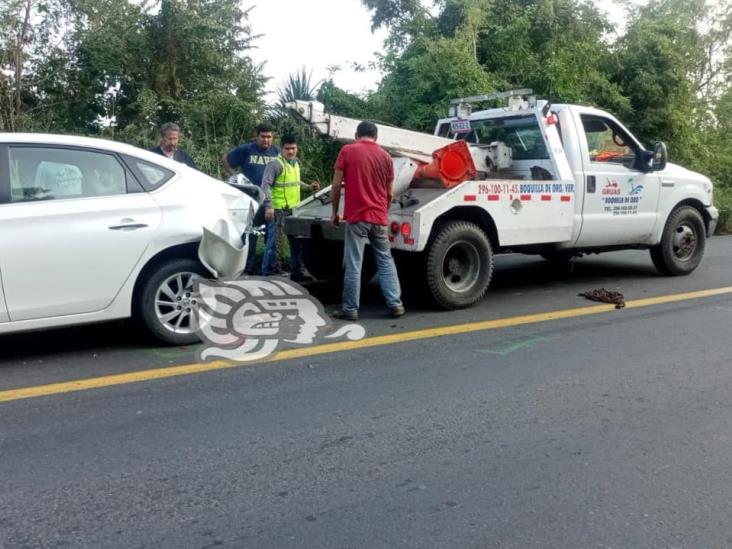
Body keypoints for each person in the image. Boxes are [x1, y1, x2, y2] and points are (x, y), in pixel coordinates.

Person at [330, 121, 404, 320]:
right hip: (379, 217)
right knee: (385, 260)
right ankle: (395, 303)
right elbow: (389, 193)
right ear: (376, 137)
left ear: (356, 135)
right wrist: (383, 213)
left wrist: (335, 212)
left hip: (357, 218)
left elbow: (336, 186)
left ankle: (350, 309)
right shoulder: (387, 157)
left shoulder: (347, 151)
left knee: (354, 262)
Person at [222, 123, 281, 275]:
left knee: (272, 236)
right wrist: (234, 176)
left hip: (271, 200)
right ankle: (247, 268)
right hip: (250, 200)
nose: (266, 140)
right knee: (250, 235)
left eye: (269, 137)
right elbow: (226, 159)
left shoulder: (277, 153)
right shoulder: (246, 149)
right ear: (257, 136)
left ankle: (269, 269)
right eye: (263, 136)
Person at [260, 134, 320, 281]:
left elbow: (295, 183)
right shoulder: (275, 164)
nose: (291, 151)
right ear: (282, 148)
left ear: (297, 148)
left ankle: (297, 273)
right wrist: (269, 206)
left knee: (296, 242)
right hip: (278, 209)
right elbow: (265, 185)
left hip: (294, 210)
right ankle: (268, 272)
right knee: (274, 243)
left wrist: (308, 187)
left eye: (293, 148)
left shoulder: (295, 163)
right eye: (287, 148)